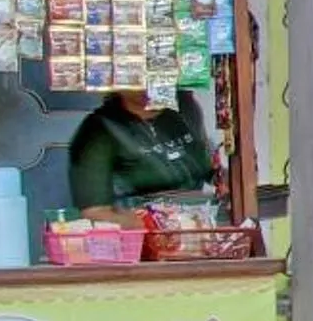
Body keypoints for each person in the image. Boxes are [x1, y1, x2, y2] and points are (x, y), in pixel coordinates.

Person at [68, 88, 215, 222]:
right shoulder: (99, 128)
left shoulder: (184, 108)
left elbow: (208, 166)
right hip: (147, 228)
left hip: (203, 221)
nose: (147, 83)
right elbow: (95, 212)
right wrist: (148, 227)